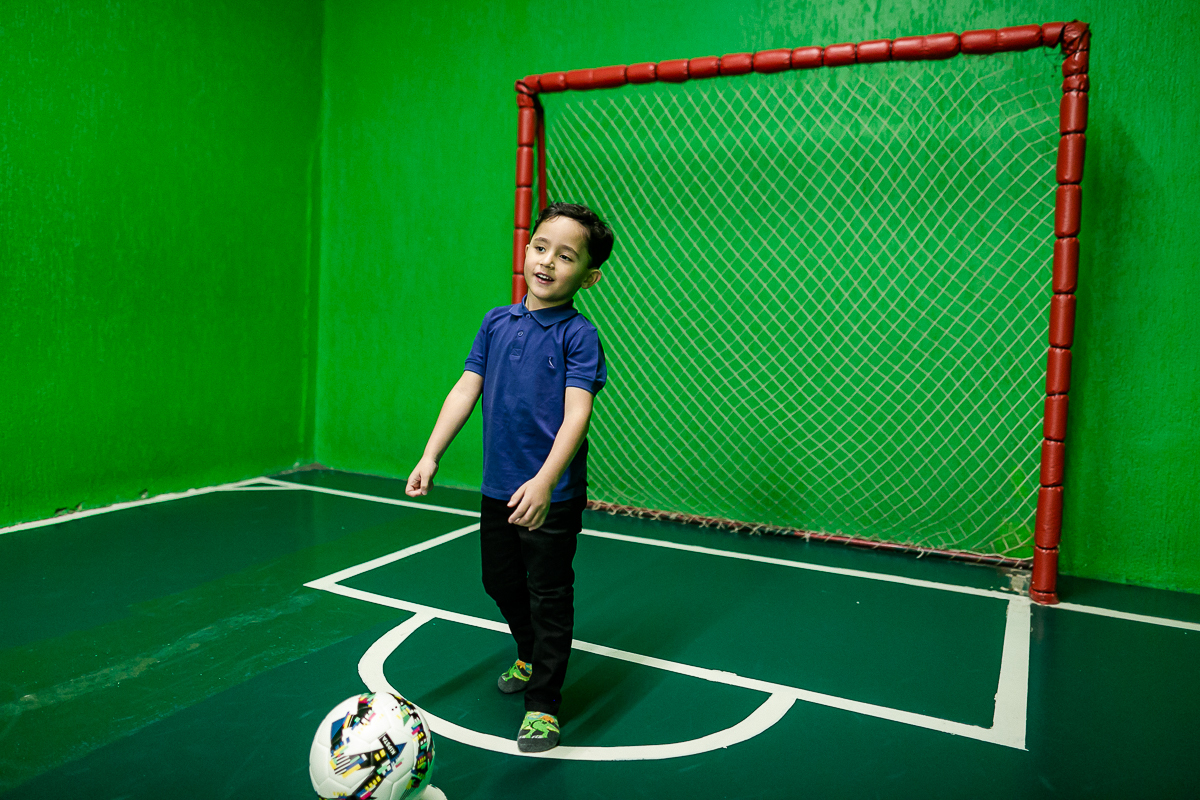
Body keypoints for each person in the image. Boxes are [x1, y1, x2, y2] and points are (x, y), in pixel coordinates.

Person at [405, 202, 613, 752]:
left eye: (565, 256)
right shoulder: (496, 322)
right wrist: (432, 455)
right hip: (498, 487)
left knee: (548, 594)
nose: (547, 262)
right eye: (541, 247)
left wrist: (545, 482)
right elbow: (465, 388)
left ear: (588, 277)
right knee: (498, 580)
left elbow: (577, 415)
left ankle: (543, 704)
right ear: (526, 250)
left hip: (551, 494)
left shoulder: (579, 337)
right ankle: (528, 651)